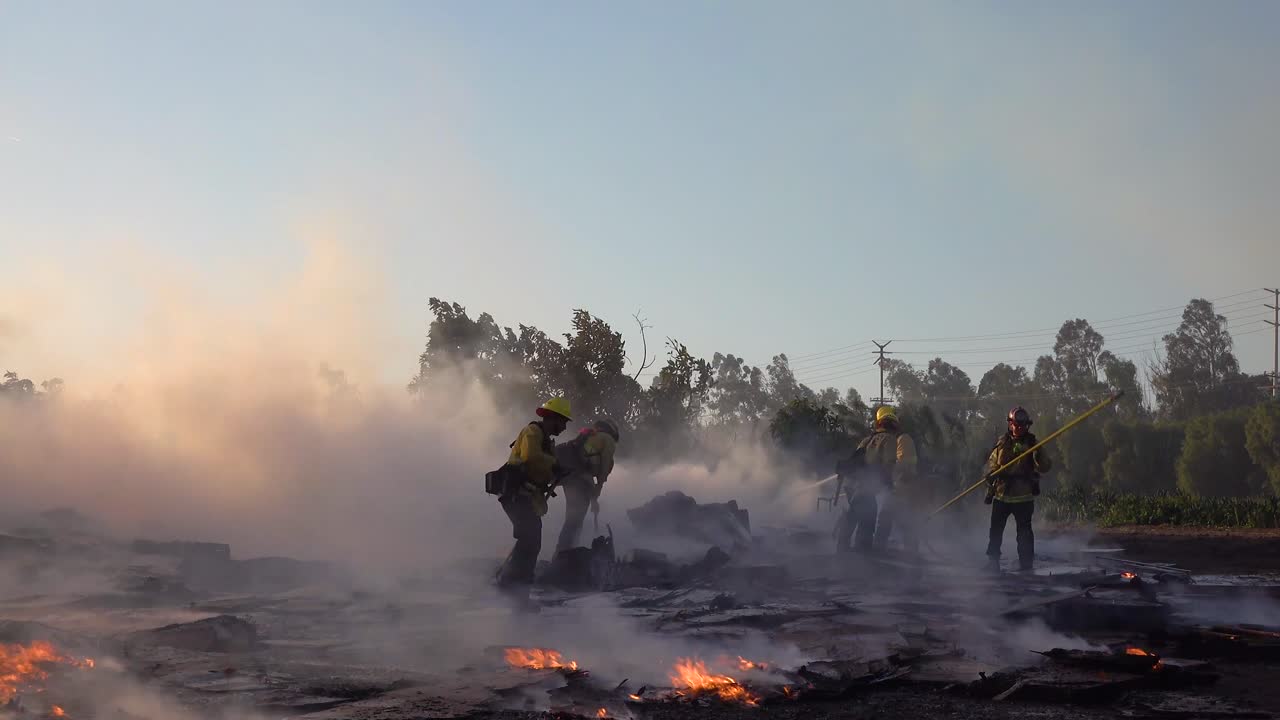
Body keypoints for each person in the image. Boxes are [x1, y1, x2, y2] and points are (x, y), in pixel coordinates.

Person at [496, 397, 572, 601]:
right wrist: (555, 465)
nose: (564, 426)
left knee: (529, 540)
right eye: (563, 421)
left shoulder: (547, 441)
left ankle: (512, 586)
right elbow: (531, 456)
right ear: (551, 418)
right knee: (530, 541)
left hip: (527, 496)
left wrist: (558, 473)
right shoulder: (533, 432)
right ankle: (515, 590)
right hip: (515, 494)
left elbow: (543, 469)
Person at [834, 405, 918, 553]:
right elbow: (889, 465)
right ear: (894, 423)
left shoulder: (867, 440)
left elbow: (855, 459)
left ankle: (844, 551)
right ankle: (867, 556)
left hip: (854, 486)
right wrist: (889, 485)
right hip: (869, 488)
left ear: (878, 422)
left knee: (855, 516)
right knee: (870, 519)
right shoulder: (891, 439)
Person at [985, 406, 1052, 572]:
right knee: (995, 531)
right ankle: (993, 562)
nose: (1019, 427)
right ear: (1010, 424)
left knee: (1024, 534)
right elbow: (992, 462)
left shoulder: (1033, 444)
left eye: (1023, 425)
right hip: (1001, 495)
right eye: (1016, 424)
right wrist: (992, 473)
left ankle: (1026, 565)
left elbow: (1045, 467)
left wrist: (1037, 453)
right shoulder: (1002, 443)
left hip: (1023, 497)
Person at [554, 418, 620, 553]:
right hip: (581, 479)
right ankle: (564, 554)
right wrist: (598, 489)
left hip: (571, 478)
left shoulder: (591, 437)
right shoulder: (608, 439)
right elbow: (604, 466)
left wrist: (594, 499)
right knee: (575, 520)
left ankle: (565, 551)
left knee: (573, 518)